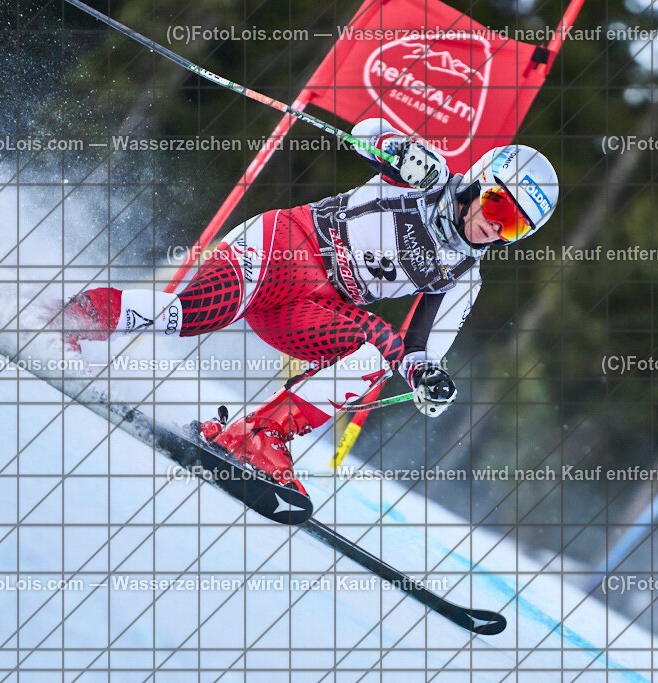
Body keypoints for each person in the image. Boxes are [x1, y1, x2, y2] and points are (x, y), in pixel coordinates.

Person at [58, 118, 559, 494]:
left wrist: (428, 378)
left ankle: (256, 437)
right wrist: (399, 150)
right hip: (285, 245)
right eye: (497, 206)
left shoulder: (462, 277)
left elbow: (418, 350)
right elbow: (365, 133)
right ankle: (76, 318)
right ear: (478, 184)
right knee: (184, 317)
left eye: (513, 226)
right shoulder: (427, 179)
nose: (496, 227)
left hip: (310, 307)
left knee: (381, 349)